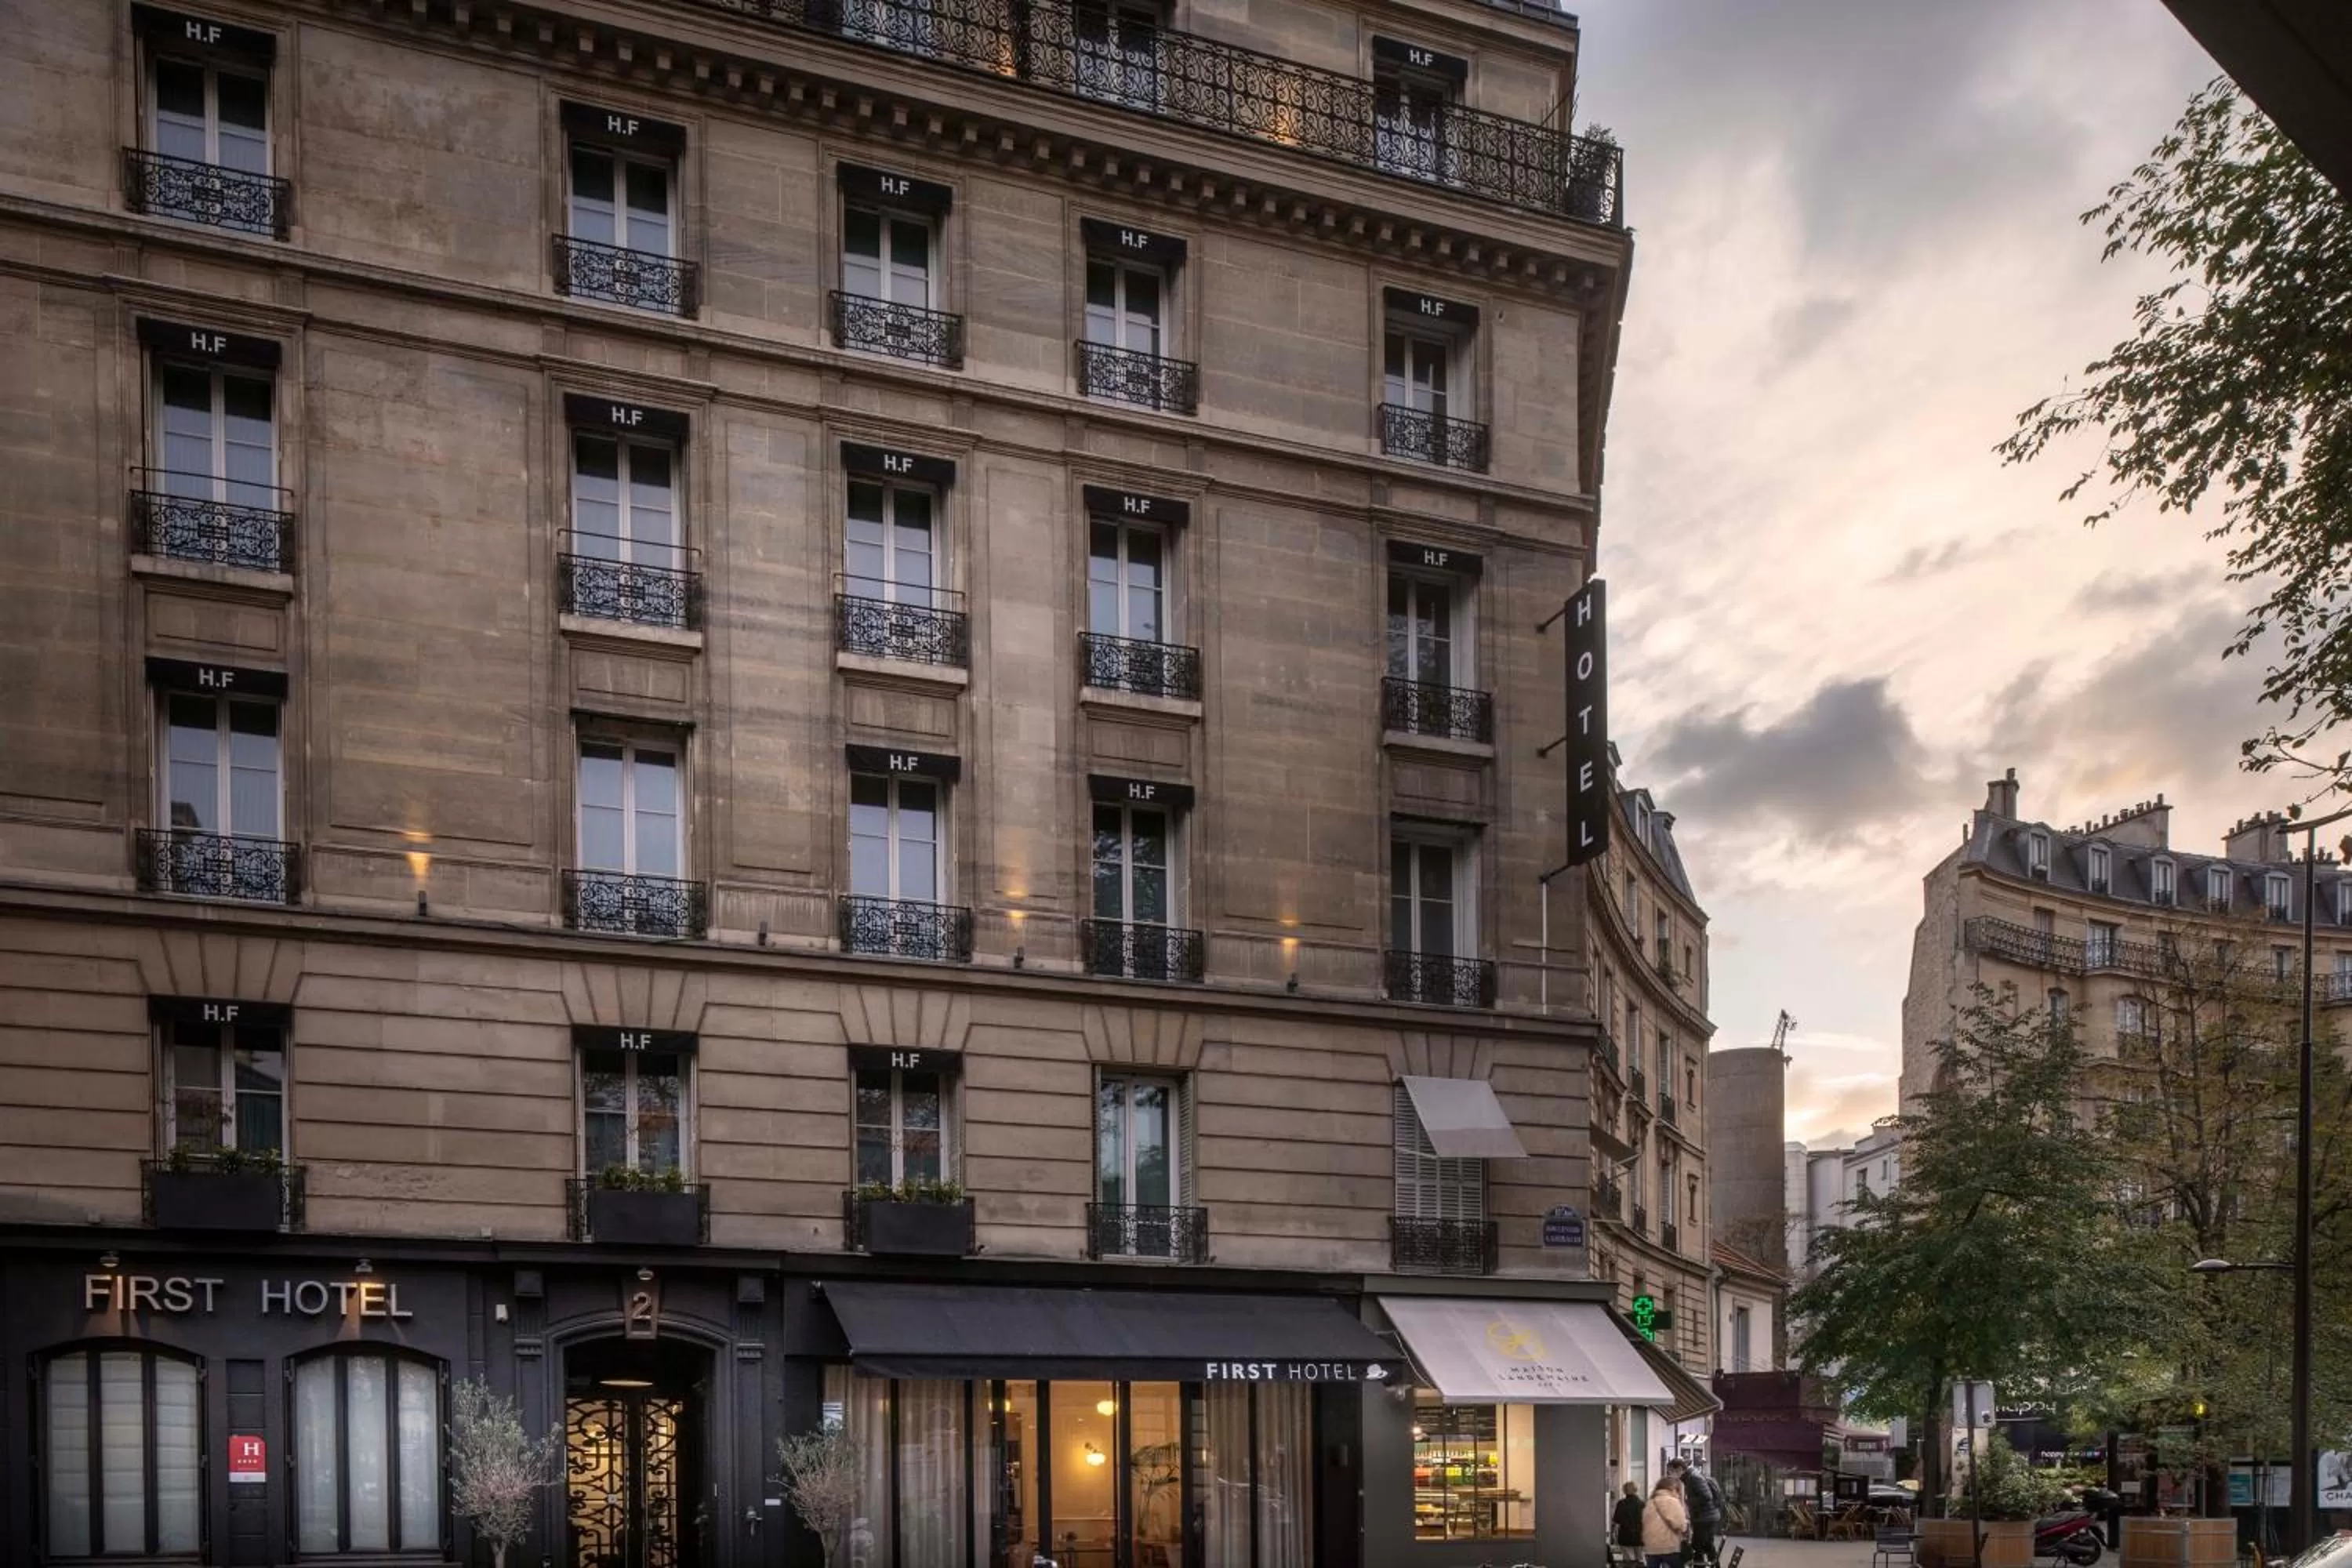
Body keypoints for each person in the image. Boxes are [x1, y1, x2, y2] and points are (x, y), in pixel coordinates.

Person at [1679, 1460, 1726, 1568]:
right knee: (1707, 1545)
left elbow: (1706, 1496)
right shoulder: (1692, 1477)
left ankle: (1701, 1566)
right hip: (1707, 1516)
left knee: (1697, 1547)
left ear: (1680, 1470)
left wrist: (1689, 1501)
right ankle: (1715, 1565)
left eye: (1672, 1471)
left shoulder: (1693, 1478)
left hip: (1704, 1518)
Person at [1642, 1475, 1690, 1568]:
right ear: (1673, 1489)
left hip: (1651, 1547)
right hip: (1669, 1546)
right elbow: (1680, 1525)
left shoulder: (1650, 1502)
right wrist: (1685, 1525)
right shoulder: (1672, 1502)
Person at [1613, 1481, 1648, 1565]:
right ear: (1636, 1490)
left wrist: (1615, 1535)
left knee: (1628, 1561)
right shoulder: (1642, 1504)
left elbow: (1617, 1520)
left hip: (1625, 1535)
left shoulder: (1621, 1504)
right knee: (1640, 1559)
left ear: (1624, 1490)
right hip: (1639, 1536)